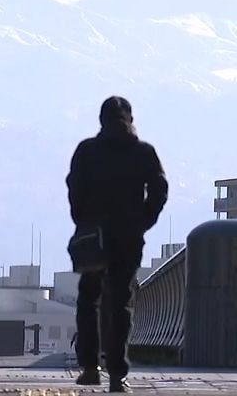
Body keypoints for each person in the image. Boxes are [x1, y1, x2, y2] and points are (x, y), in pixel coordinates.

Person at [66, 96, 168, 393]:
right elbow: (159, 190)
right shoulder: (143, 152)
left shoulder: (87, 151)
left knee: (89, 298)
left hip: (93, 237)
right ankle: (117, 375)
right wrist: (143, 220)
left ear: (101, 120)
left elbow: (74, 187)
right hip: (129, 237)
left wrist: (82, 220)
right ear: (131, 119)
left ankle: (88, 367)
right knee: (121, 303)